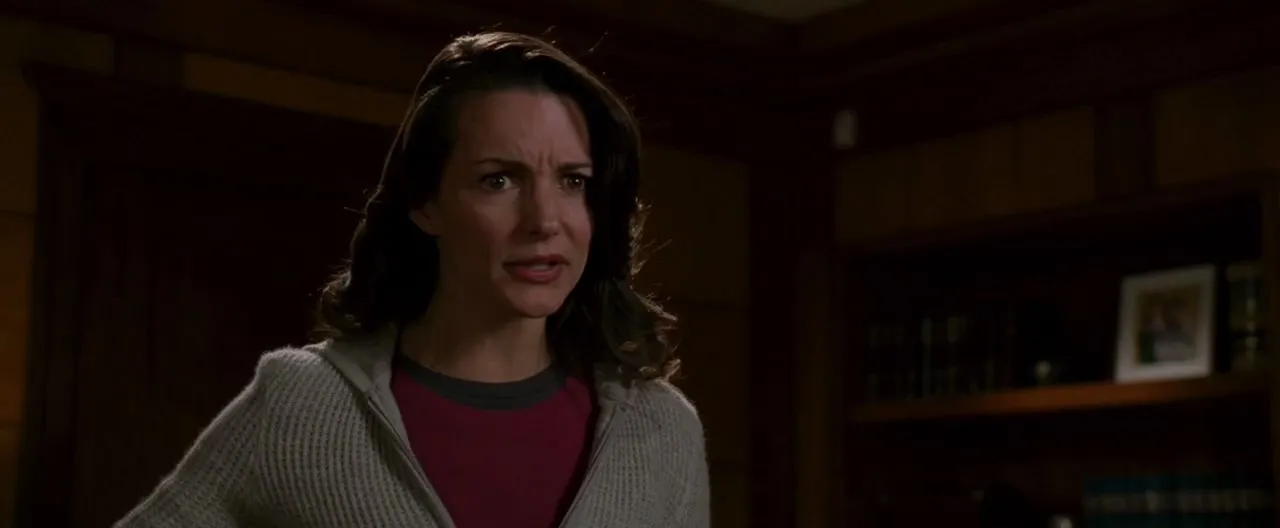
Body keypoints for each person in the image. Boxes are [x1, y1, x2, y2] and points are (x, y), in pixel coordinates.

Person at [115, 31, 709, 528]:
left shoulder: (661, 429)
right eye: (499, 180)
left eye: (573, 182)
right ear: (426, 203)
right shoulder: (304, 405)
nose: (544, 220)